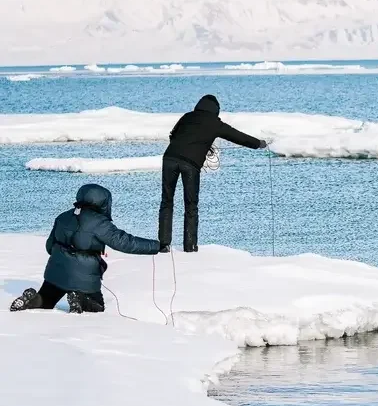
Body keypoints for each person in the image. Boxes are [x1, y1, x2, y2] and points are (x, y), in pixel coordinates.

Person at [9, 184, 160, 314]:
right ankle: (81, 299)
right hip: (84, 278)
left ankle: (35, 300)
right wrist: (156, 246)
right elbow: (125, 243)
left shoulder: (62, 217)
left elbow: (50, 246)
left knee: (46, 300)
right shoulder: (100, 223)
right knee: (97, 307)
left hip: (55, 273)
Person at [158, 94, 266, 252]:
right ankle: (190, 246)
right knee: (191, 205)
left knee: (166, 201)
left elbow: (173, 135)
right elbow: (238, 137)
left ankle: (164, 244)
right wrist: (259, 144)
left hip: (170, 158)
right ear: (216, 111)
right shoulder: (215, 123)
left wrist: (198, 144)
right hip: (190, 164)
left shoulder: (187, 116)